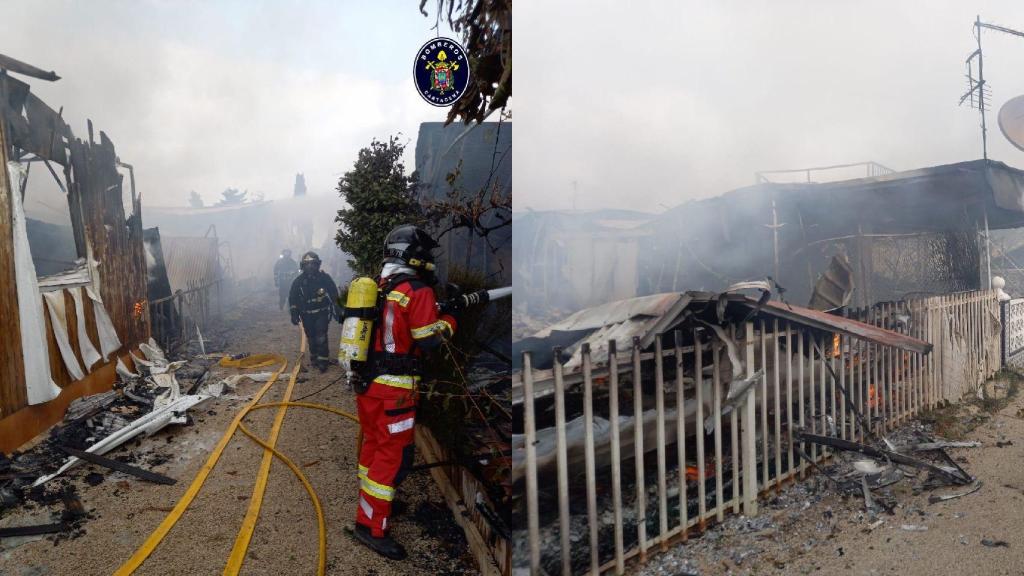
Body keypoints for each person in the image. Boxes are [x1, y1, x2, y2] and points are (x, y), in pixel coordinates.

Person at [350, 225, 458, 560]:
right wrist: (451, 318)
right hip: (395, 390)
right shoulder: (418, 290)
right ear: (416, 255)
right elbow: (428, 339)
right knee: (393, 456)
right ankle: (371, 527)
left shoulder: (380, 286)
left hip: (368, 385)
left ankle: (371, 507)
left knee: (373, 445)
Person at [288, 251, 340, 372]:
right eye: (307, 264)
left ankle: (323, 361)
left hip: (322, 313)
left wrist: (337, 307)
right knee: (311, 337)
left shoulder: (324, 278)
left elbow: (333, 293)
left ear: (317, 265)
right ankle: (315, 358)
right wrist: (294, 313)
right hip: (306, 315)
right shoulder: (298, 281)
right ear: (303, 266)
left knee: (321, 336)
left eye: (313, 264)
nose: (310, 267)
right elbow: (293, 298)